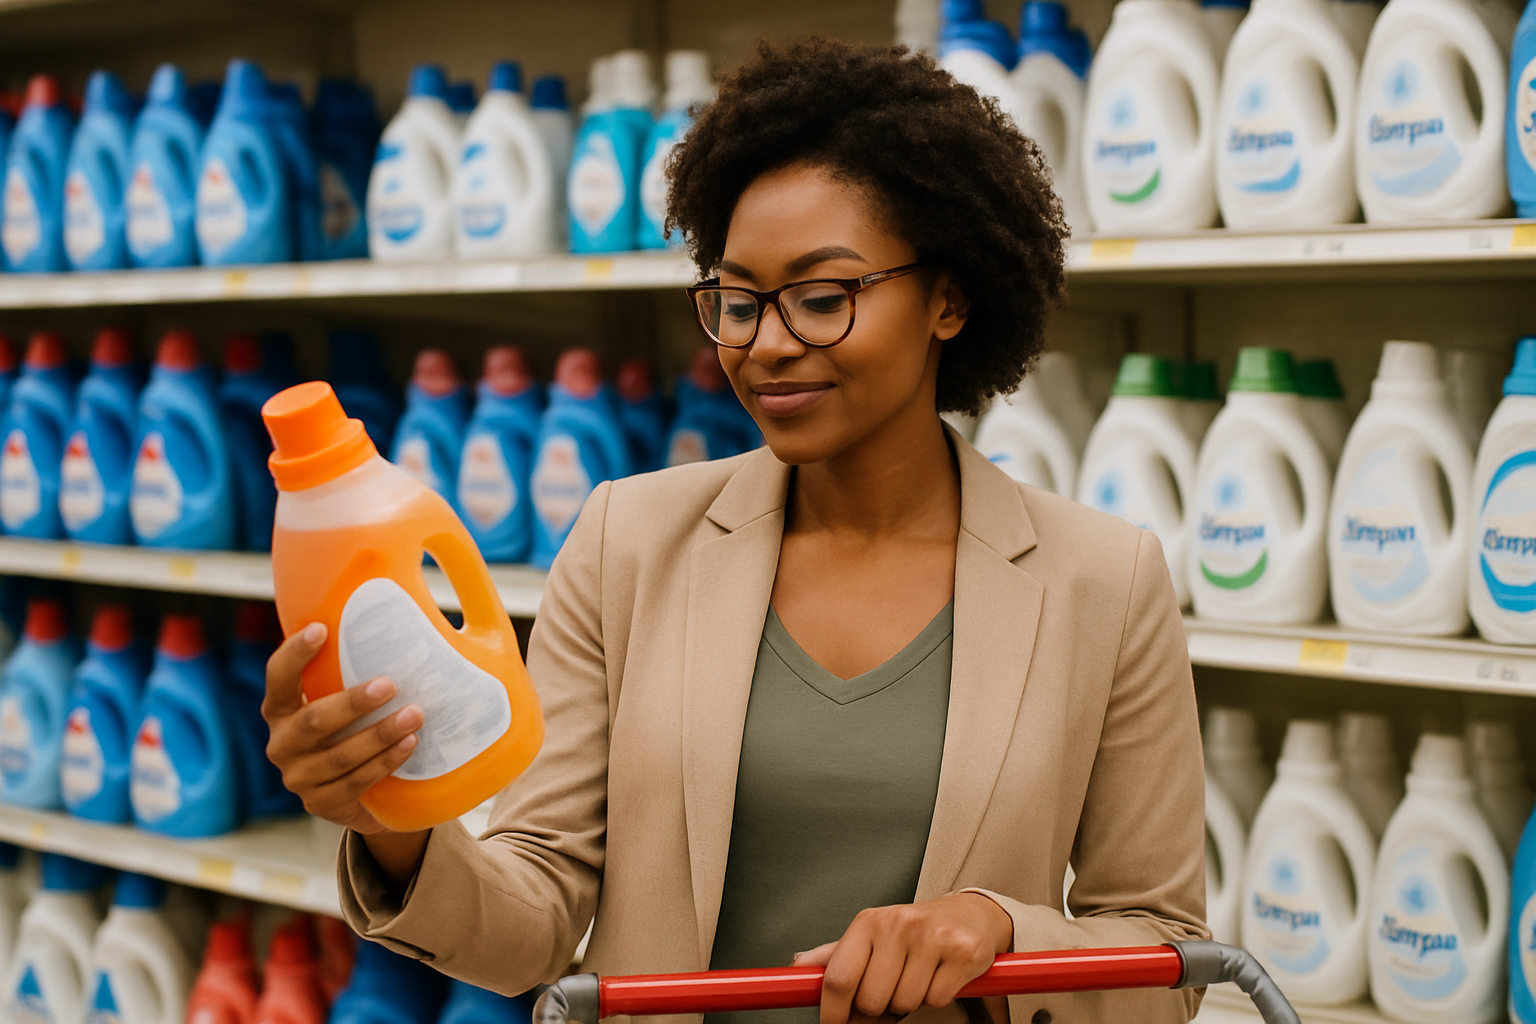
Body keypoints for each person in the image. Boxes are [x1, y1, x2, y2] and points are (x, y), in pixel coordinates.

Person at [263, 37, 1208, 1024]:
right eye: (739, 300)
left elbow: (1165, 951)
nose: (765, 343)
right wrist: (390, 822)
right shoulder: (628, 542)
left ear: (949, 298)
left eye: (821, 296)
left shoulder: (1103, 578)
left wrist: (1005, 934)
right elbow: (536, 912)